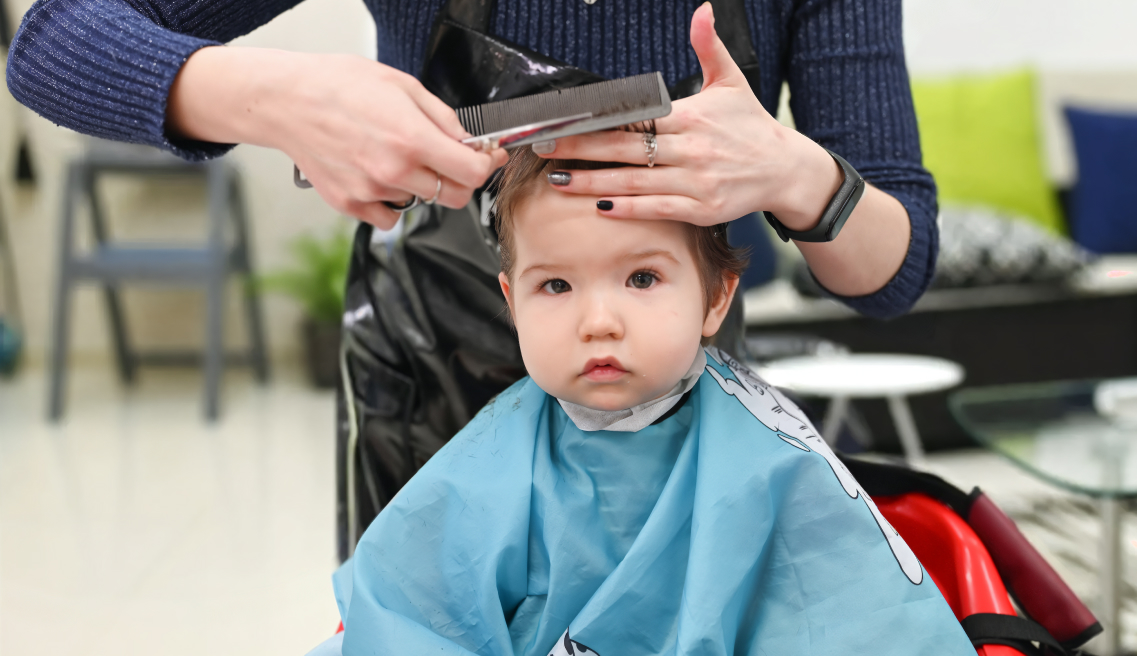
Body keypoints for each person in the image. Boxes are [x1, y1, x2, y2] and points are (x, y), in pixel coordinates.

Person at [305, 147, 974, 656]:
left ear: (715, 297)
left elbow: (845, 613)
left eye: (643, 277)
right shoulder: (493, 458)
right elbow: (404, 614)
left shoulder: (767, 451)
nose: (598, 320)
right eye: (556, 285)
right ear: (512, 303)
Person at [7, 0, 933, 318]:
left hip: (678, 397)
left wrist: (796, 173)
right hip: (430, 384)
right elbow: (51, 44)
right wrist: (283, 100)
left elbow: (894, 268)